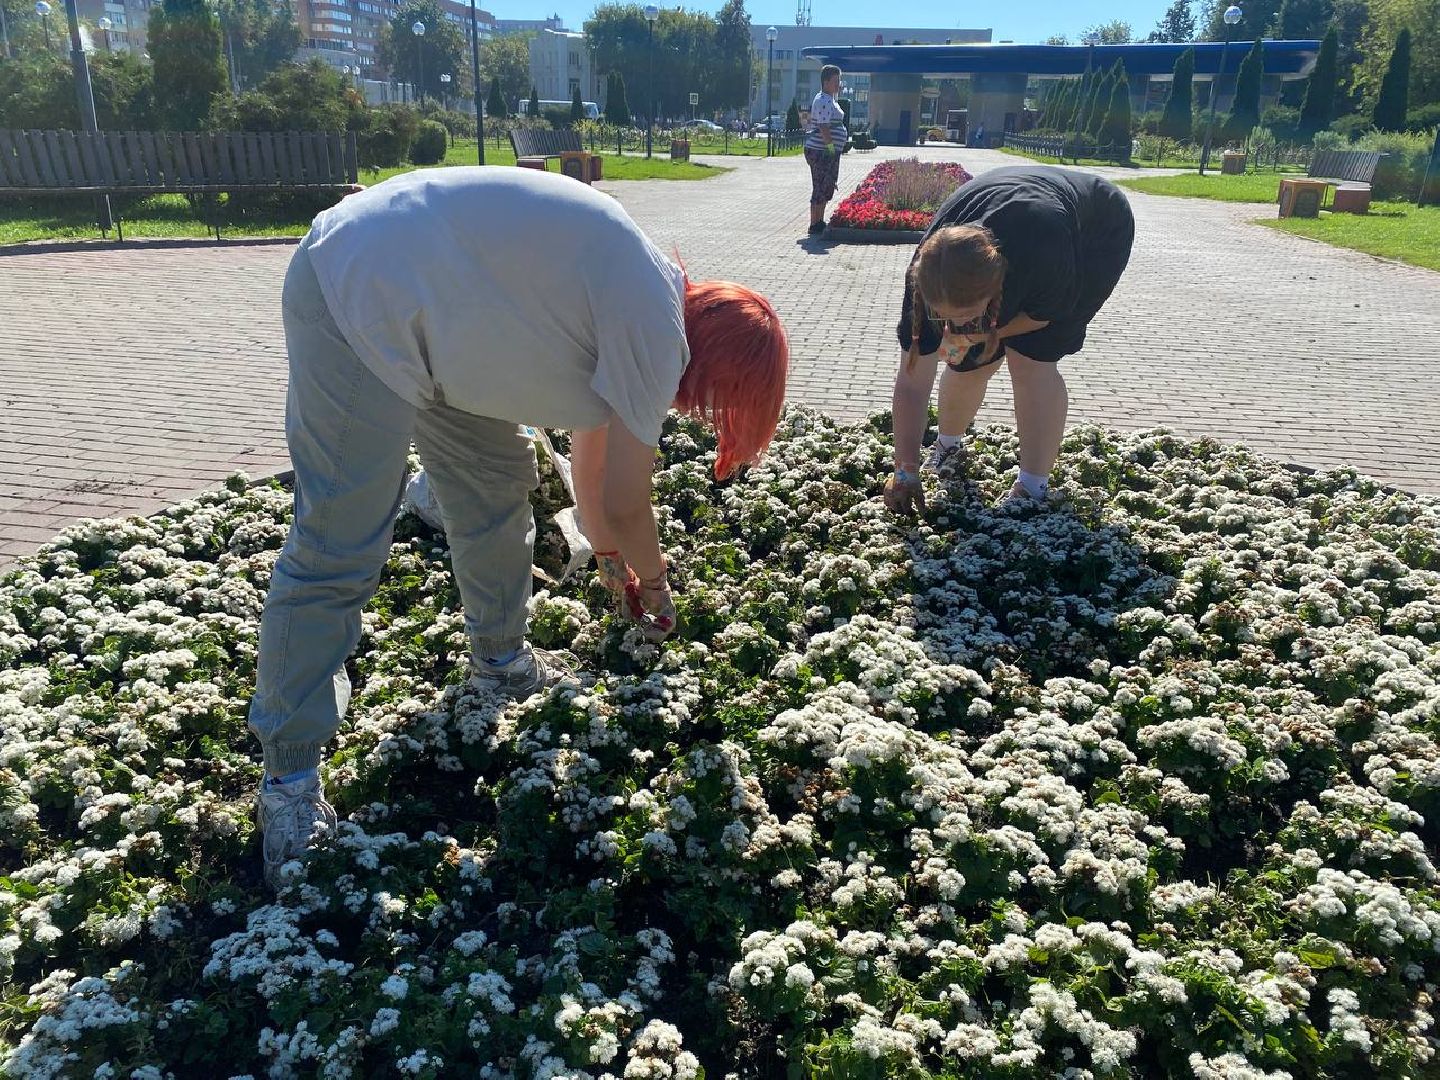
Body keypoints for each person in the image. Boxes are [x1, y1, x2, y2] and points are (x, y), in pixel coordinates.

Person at [251, 166, 789, 887]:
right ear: (723, 371)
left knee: (495, 492)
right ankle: (288, 781)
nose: (702, 414)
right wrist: (657, 592)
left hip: (438, 327)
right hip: (358, 295)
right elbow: (631, 501)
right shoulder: (656, 327)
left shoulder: (643, 298)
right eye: (724, 404)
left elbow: (595, 482)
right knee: (340, 543)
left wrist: (608, 562)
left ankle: (500, 661)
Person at [884, 164, 1134, 513]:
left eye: (966, 316)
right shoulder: (928, 275)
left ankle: (1033, 486)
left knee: (1031, 362)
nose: (951, 326)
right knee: (967, 361)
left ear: (996, 292)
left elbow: (1043, 316)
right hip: (1012, 210)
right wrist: (905, 468)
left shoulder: (1042, 254)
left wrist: (988, 333)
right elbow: (912, 383)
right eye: (944, 316)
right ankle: (948, 447)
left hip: (1097, 229)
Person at [803, 64, 847, 236]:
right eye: (836, 81)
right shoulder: (823, 100)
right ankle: (815, 223)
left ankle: (819, 220)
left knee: (826, 185)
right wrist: (830, 146)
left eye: (839, 80)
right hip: (820, 151)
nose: (839, 84)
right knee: (820, 185)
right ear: (826, 81)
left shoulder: (829, 99)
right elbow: (823, 126)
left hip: (826, 151)